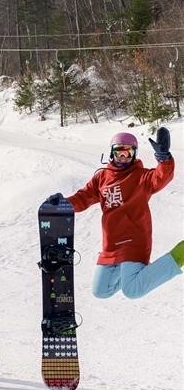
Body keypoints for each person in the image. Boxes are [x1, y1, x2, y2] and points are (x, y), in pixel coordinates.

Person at [47, 128, 182, 299]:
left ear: (134, 154)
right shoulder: (102, 178)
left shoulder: (141, 177)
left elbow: (160, 177)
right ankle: (130, 275)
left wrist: (164, 159)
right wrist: (63, 204)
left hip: (134, 241)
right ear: (112, 152)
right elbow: (83, 198)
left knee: (133, 290)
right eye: (119, 152)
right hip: (111, 245)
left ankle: (178, 255)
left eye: (128, 153)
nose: (123, 157)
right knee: (100, 290)